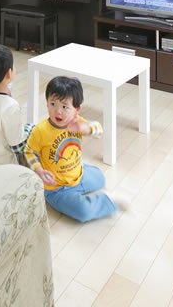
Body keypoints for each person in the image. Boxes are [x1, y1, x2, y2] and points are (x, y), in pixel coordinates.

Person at [24, 76, 119, 222]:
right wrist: (39, 170)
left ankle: (82, 173)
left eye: (65, 106)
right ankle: (109, 202)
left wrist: (84, 128)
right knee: (83, 212)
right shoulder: (41, 130)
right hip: (57, 189)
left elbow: (99, 130)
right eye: (53, 104)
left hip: (79, 175)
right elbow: (28, 151)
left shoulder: (77, 122)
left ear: (76, 110)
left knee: (101, 178)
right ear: (47, 103)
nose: (58, 111)